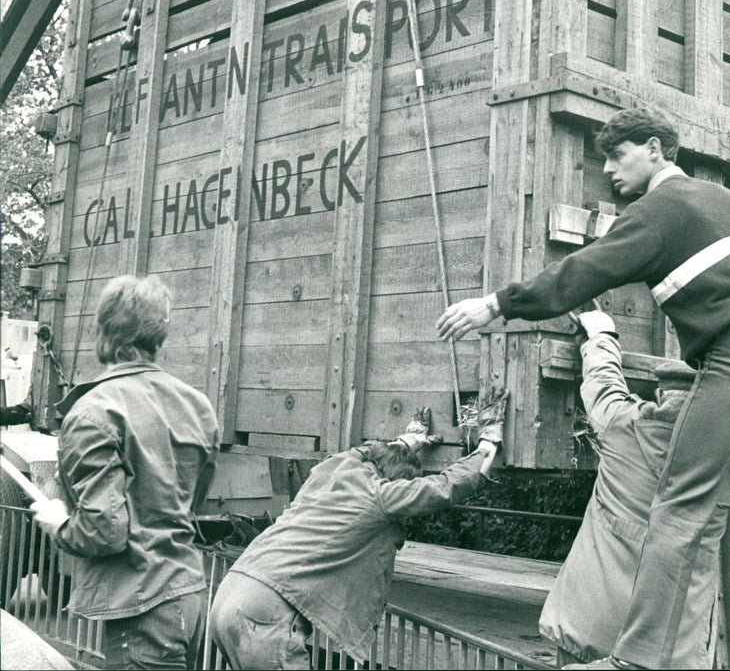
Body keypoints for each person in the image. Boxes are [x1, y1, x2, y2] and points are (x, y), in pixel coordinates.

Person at [436, 105, 730, 670]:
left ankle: (637, 662)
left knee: (678, 507)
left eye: (617, 154)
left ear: (655, 149)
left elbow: (585, 270)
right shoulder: (725, 201)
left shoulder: (658, 210)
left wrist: (495, 305)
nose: (608, 169)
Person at [539, 310, 730, 669]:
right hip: (666, 653)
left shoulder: (621, 426)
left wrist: (602, 333)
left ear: (662, 392)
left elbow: (603, 383)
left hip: (589, 627)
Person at [209, 391, 509, 670]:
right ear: (392, 480)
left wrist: (409, 440)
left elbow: (362, 451)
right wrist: (487, 443)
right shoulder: (380, 495)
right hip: (265, 614)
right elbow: (444, 488)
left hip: (230, 594)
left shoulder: (335, 467)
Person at [31, 274, 220, 671]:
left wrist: (59, 524)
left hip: (141, 607)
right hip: (188, 592)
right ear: (158, 336)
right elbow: (188, 503)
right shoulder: (198, 405)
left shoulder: (92, 411)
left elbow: (103, 531)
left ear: (104, 332)